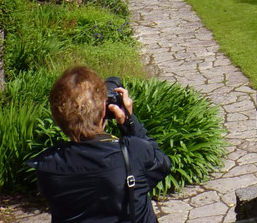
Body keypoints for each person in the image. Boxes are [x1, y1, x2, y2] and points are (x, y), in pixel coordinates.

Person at [29, 66, 171, 223]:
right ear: (104, 110)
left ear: (57, 117)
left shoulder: (47, 165)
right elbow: (162, 165)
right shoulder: (133, 152)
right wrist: (128, 121)